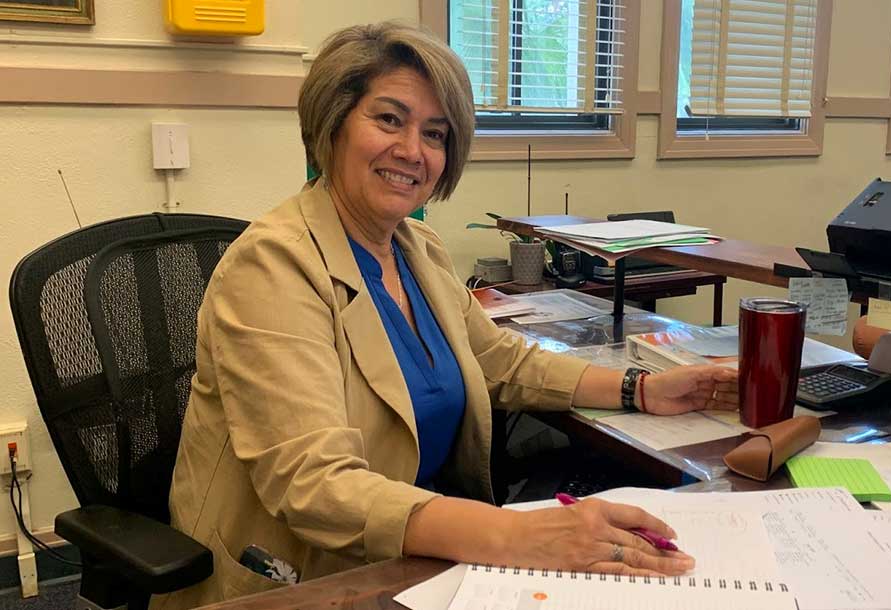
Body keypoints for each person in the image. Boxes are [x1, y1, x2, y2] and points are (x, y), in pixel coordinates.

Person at [152, 22, 739, 608]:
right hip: (310, 575)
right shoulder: (273, 267)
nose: (413, 150)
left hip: (422, 550)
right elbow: (315, 485)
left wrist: (644, 389)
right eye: (388, 119)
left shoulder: (416, 246)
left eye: (435, 133)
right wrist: (526, 536)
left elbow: (499, 358)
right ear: (331, 124)